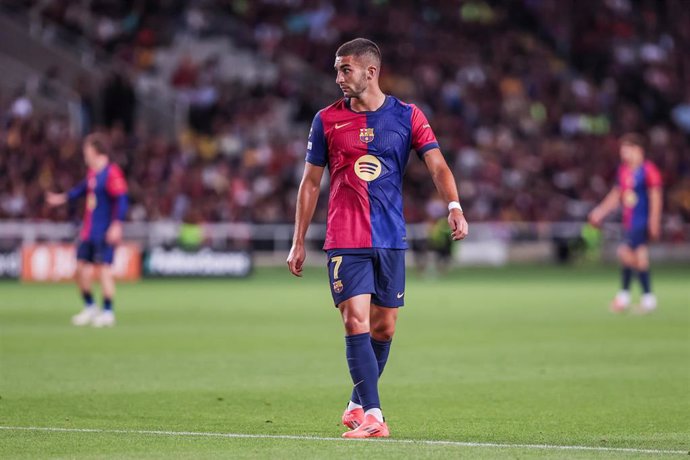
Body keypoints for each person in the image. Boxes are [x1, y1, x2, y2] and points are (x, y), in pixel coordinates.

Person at [286, 38, 468, 439]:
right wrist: (298, 239)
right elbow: (310, 183)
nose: (337, 78)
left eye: (344, 69)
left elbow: (437, 166)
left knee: (383, 329)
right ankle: (374, 415)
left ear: (371, 72)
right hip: (344, 237)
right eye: (336, 69)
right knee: (355, 321)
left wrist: (453, 206)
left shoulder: (407, 116)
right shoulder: (326, 120)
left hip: (389, 237)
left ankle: (356, 404)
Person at [46, 133, 129, 327]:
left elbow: (122, 199)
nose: (85, 154)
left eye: (87, 150)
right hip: (89, 230)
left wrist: (117, 224)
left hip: (104, 230)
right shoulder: (93, 173)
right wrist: (63, 198)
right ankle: (91, 307)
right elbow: (82, 189)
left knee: (104, 271)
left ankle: (108, 312)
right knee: (80, 269)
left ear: (96, 151)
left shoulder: (112, 173)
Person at [588, 133, 663, 313]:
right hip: (629, 220)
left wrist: (654, 221)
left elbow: (656, 197)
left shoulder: (648, 170)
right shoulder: (624, 170)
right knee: (637, 257)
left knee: (626, 253)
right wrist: (600, 211)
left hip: (641, 220)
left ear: (639, 150)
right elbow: (616, 195)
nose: (624, 154)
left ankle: (633, 297)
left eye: (627, 150)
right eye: (623, 150)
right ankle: (640, 298)